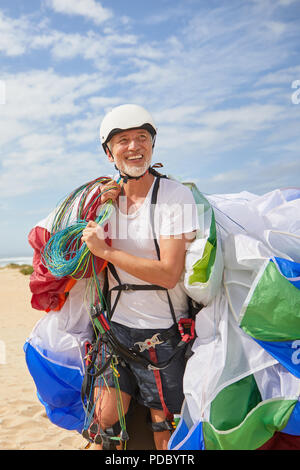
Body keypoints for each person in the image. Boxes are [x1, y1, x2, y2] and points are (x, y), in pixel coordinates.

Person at [81, 104, 199, 450]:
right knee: (104, 417)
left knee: (163, 425)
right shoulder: (103, 201)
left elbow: (169, 274)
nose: (134, 146)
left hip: (162, 334)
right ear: (108, 153)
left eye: (142, 138)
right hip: (115, 328)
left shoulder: (175, 196)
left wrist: (107, 252)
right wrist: (101, 206)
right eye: (123, 141)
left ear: (152, 145)